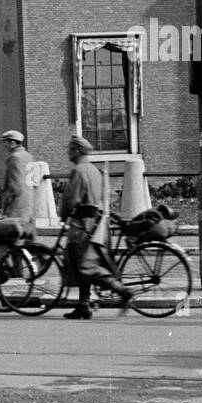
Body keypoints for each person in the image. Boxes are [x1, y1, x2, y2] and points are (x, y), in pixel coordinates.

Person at [59, 136, 133, 320]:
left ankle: (123, 292)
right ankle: (83, 305)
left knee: (86, 265)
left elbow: (70, 199)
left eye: (70, 149)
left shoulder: (79, 170)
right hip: (97, 223)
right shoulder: (94, 170)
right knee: (84, 263)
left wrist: (63, 215)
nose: (68, 152)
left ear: (77, 151)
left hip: (83, 225)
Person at [0, 130, 35, 223]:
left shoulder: (14, 158)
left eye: (5, 142)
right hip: (29, 203)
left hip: (16, 205)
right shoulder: (29, 156)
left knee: (13, 233)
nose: (4, 146)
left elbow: (15, 185)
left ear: (12, 142)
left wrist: (5, 200)